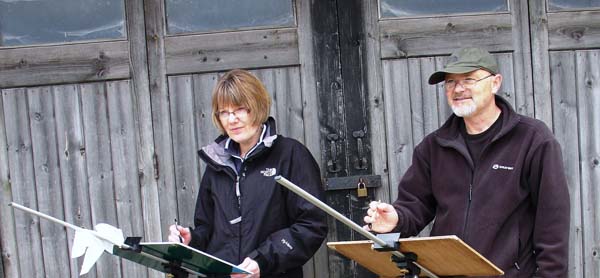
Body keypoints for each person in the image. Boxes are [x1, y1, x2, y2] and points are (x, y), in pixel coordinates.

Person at [363, 47, 570, 277]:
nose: (458, 89)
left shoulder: (533, 140)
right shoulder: (434, 146)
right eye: (450, 82)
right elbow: (415, 205)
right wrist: (396, 219)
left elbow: (553, 224)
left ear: (495, 83)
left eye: (469, 79)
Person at [168, 69, 328, 278]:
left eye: (240, 109)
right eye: (224, 112)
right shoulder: (217, 162)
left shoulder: (290, 155)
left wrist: (263, 261)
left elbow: (311, 225)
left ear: (258, 107)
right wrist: (192, 239)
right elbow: (207, 228)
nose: (232, 119)